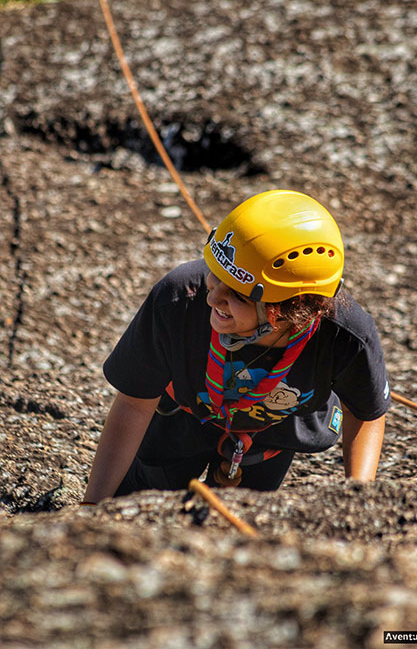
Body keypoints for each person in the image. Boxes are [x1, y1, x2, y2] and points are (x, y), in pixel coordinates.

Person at [83, 190, 389, 503]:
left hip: (271, 434)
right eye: (214, 275)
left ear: (291, 310)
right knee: (142, 497)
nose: (212, 298)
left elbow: (364, 412)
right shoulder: (178, 300)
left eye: (240, 295)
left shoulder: (345, 336)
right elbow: (134, 404)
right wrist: (91, 507)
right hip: (182, 416)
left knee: (233, 525)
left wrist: (358, 500)